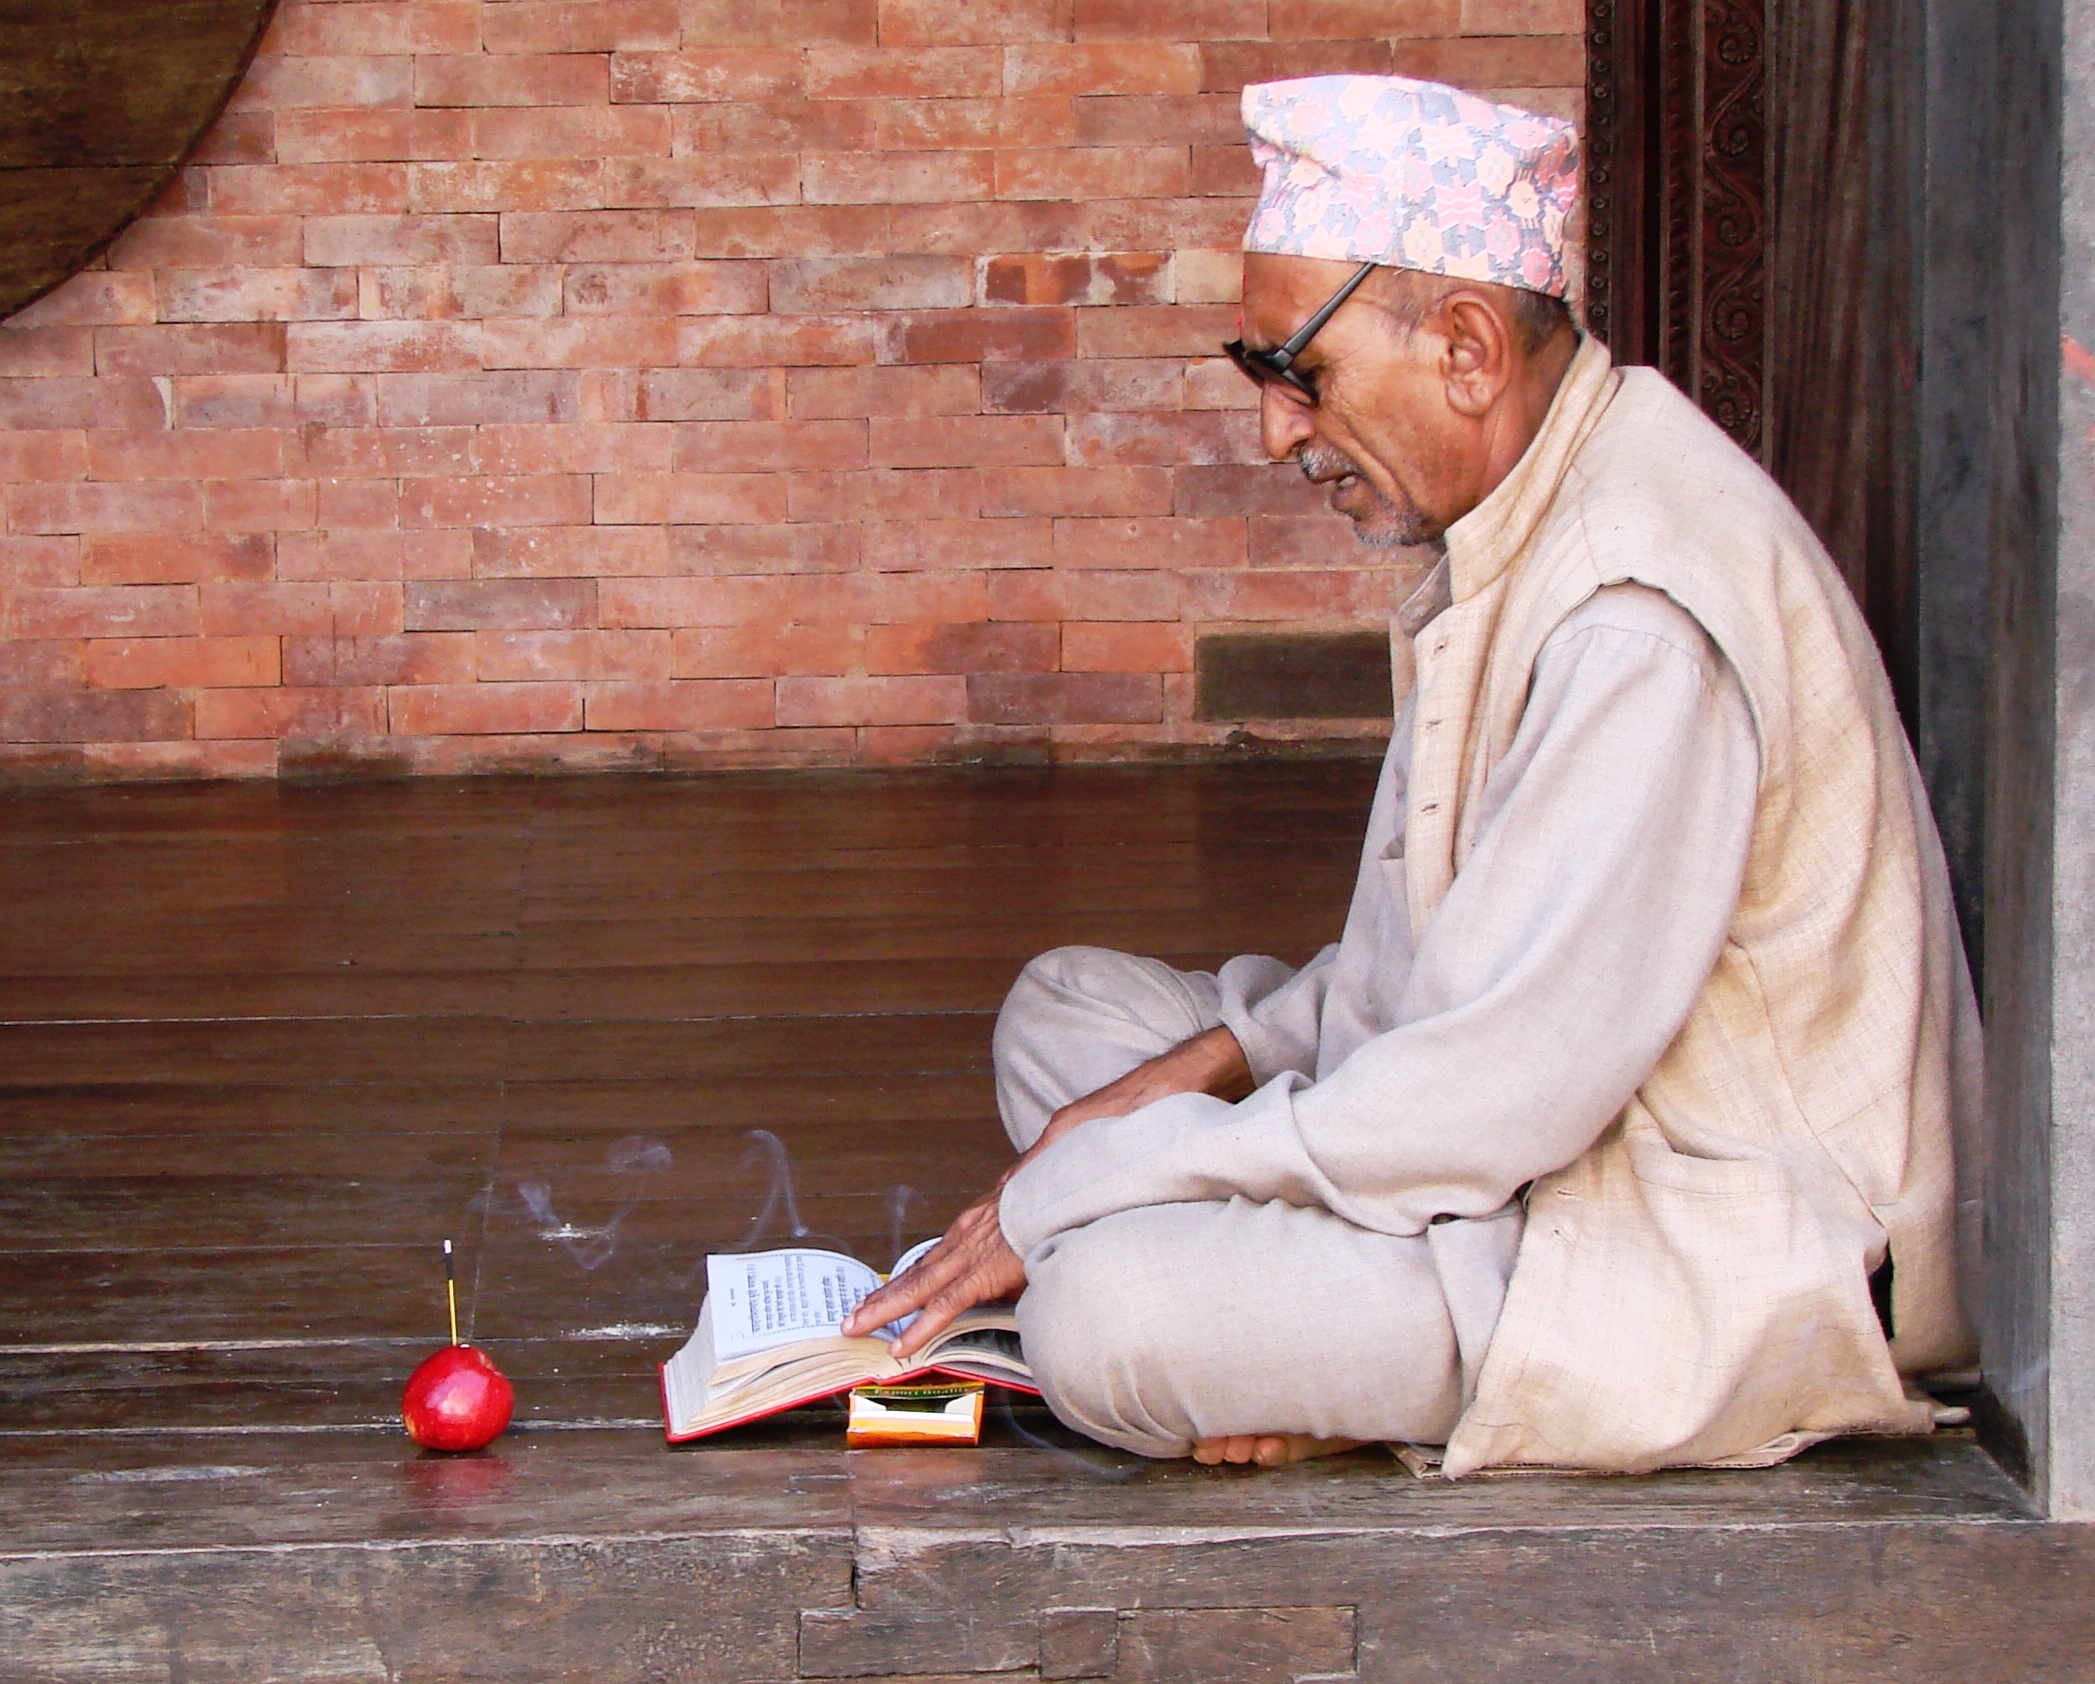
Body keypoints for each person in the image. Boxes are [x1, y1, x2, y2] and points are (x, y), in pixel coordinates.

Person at [843, 74, 1980, 1476]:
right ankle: (1293, 1332)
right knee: (1068, 1020)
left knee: (1102, 1319)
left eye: (1298, 374)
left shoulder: (1634, 616)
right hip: (1512, 1145)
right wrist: (1207, 1065)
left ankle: (1292, 1347)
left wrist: (1089, 1179)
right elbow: (1444, 969)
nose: (1275, 432)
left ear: (1464, 349)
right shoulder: (1528, 502)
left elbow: (1487, 1099)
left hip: (1683, 1240)